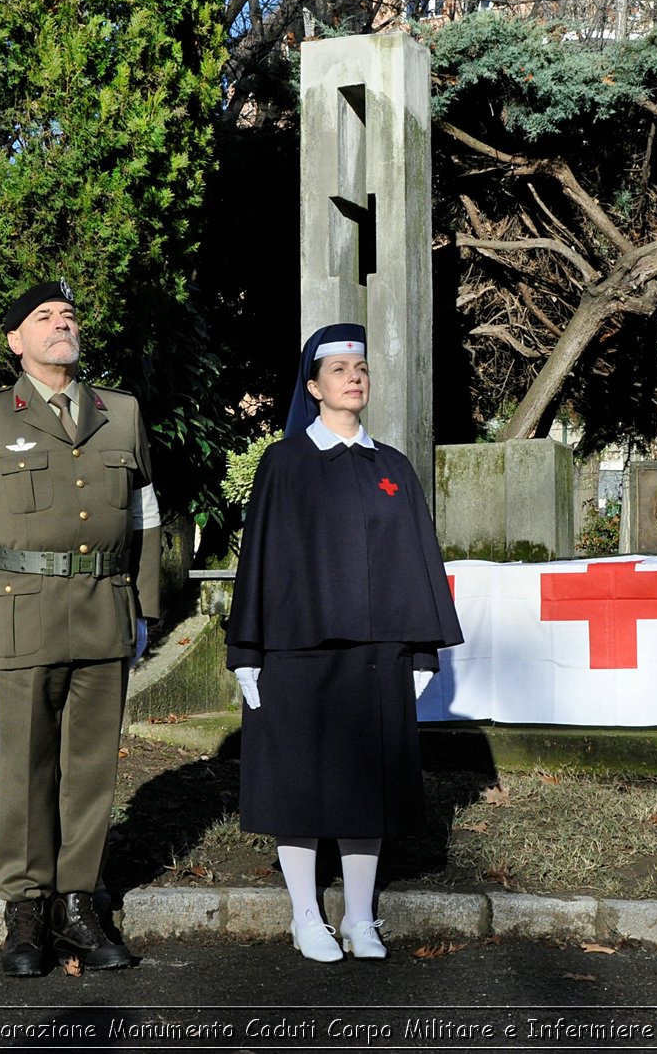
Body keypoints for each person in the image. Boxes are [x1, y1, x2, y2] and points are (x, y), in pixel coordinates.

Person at [0, 279, 162, 976]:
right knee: (26, 766)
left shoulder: (119, 413)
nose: (62, 324)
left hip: (104, 607)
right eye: (44, 317)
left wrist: (146, 606)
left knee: (92, 770)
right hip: (22, 612)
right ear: (16, 340)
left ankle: (77, 905)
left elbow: (146, 515)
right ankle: (25, 912)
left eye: (68, 314)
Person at [225, 322, 463, 962]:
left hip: (378, 653)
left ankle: (360, 918)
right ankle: (306, 915)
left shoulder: (392, 466)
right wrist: (246, 650)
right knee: (296, 783)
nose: (354, 376)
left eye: (360, 367)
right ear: (313, 386)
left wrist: (421, 650)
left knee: (368, 789)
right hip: (297, 651)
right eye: (338, 369)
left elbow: (417, 561)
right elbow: (259, 559)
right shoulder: (286, 462)